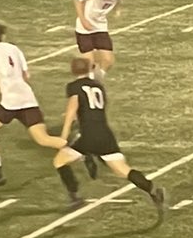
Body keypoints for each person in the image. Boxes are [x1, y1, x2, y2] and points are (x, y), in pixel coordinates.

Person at [52, 58, 166, 214]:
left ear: (72, 70)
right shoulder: (98, 86)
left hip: (88, 136)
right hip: (105, 134)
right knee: (122, 170)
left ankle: (75, 195)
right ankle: (151, 188)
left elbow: (72, 110)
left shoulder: (74, 87)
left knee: (59, 161)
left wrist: (64, 137)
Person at [0, 23, 64, 185]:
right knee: (43, 139)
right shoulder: (15, 49)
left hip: (10, 103)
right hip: (28, 99)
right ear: (2, 36)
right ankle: (83, 149)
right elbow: (26, 75)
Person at [73, 0, 128, 81]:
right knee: (89, 61)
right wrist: (83, 20)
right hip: (84, 28)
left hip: (100, 26)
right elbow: (78, 0)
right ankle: (86, 81)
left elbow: (120, 1)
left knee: (108, 60)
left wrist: (118, 11)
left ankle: (97, 80)